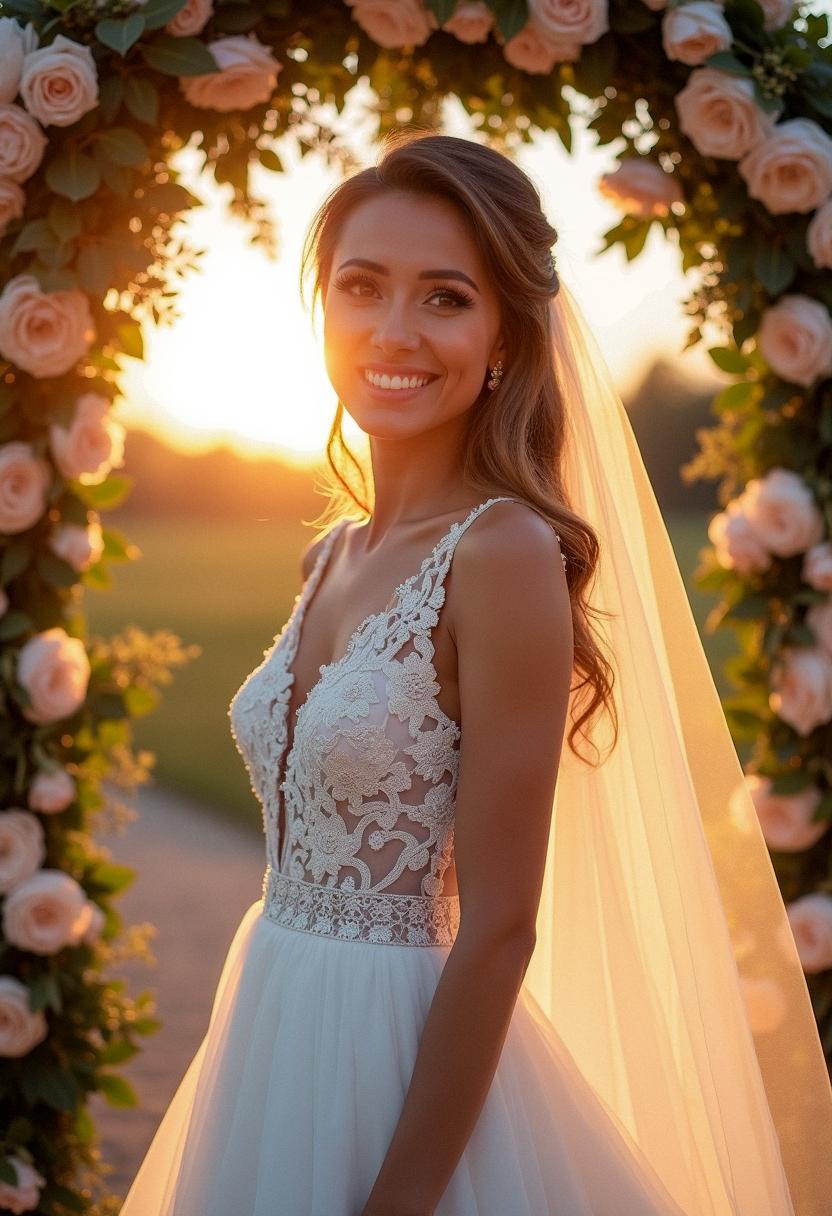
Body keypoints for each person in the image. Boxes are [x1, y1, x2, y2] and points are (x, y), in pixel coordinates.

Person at [119, 131, 832, 1216]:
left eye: (444, 298)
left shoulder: (501, 554)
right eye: (363, 286)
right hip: (269, 1017)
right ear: (325, 309)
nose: (394, 331)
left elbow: (501, 924)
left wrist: (400, 1198)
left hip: (395, 1056)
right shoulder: (333, 555)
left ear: (502, 335)